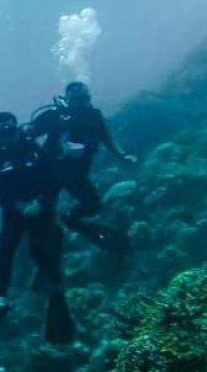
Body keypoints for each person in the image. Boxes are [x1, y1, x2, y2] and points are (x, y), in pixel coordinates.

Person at [0, 112, 73, 344]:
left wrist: (41, 203)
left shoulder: (35, 151)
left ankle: (52, 289)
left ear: (18, 129)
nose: (7, 134)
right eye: (2, 131)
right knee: (6, 251)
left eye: (10, 129)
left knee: (48, 249)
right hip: (14, 213)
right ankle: (0, 298)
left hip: (40, 209)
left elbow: (55, 178)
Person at [30, 81, 138, 253]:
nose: (80, 103)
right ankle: (44, 250)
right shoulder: (55, 116)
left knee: (93, 205)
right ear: (67, 100)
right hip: (50, 173)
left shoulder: (95, 117)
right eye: (76, 99)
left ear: (89, 98)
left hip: (77, 175)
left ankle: (69, 219)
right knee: (41, 213)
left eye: (83, 99)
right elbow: (28, 135)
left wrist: (123, 155)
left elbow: (108, 140)